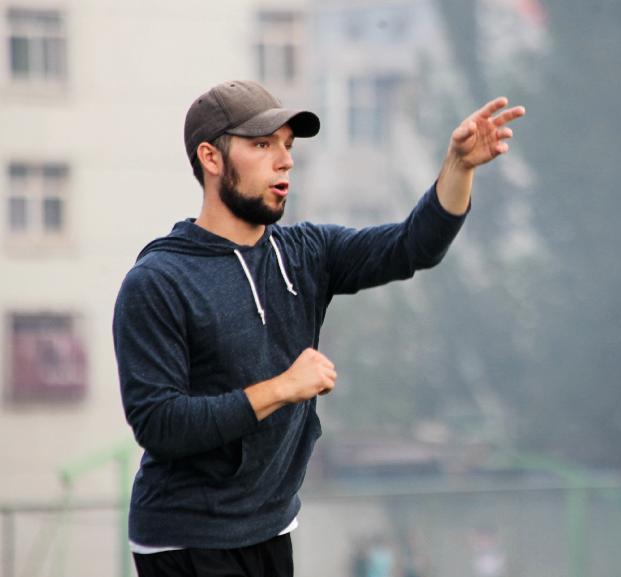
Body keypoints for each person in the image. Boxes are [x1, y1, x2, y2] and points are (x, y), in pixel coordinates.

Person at [113, 80, 524, 577]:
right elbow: (160, 425)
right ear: (211, 157)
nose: (285, 160)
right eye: (262, 145)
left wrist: (458, 167)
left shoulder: (305, 253)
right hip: (186, 541)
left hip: (271, 528)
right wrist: (283, 388)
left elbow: (413, 246)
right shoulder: (158, 281)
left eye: (287, 145)